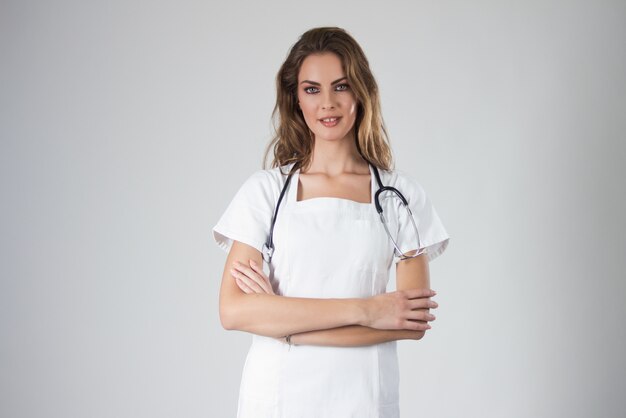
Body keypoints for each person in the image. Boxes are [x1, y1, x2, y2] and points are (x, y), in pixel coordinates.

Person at [212, 26, 450, 418]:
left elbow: (412, 322)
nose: (327, 104)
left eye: (340, 87)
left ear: (361, 91)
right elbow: (234, 312)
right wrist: (367, 310)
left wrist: (283, 323)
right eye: (312, 89)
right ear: (296, 99)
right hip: (275, 399)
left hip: (363, 398)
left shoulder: (399, 196)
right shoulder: (265, 193)